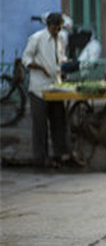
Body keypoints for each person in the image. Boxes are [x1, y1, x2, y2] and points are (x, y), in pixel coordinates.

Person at [21, 12, 72, 167]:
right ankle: (40, 158)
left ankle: (59, 154)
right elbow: (26, 59)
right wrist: (41, 67)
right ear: (49, 26)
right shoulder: (37, 38)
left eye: (59, 28)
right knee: (40, 125)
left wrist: (66, 64)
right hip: (39, 88)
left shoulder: (61, 38)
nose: (57, 32)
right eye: (55, 28)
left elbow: (60, 57)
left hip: (55, 86)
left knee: (58, 121)